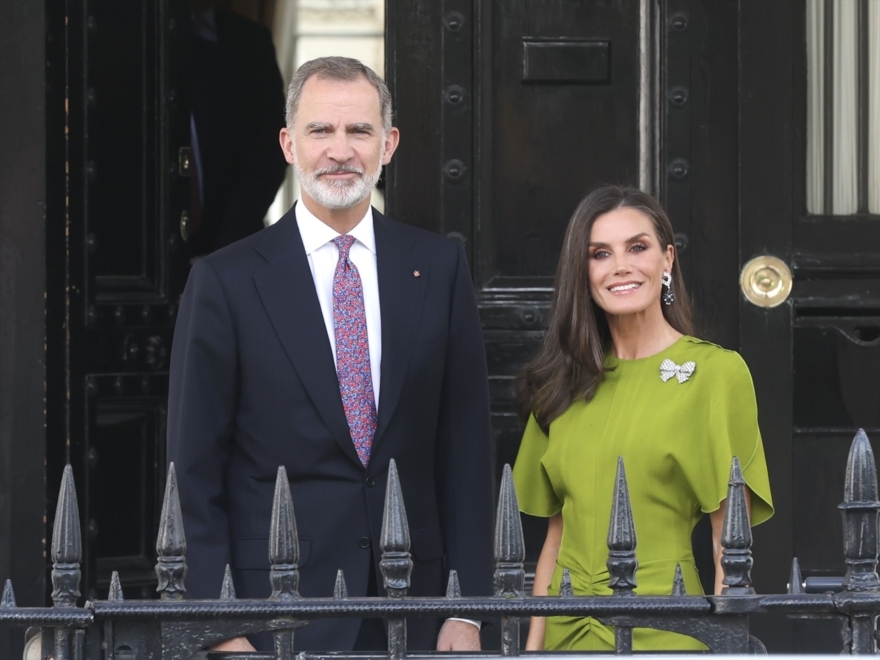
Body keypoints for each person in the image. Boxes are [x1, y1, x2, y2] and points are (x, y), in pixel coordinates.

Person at [167, 56, 494, 653]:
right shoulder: (226, 282)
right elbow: (194, 467)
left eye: (359, 131)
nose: (340, 150)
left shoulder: (438, 269)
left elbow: (465, 449)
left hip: (416, 609)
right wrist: (219, 622)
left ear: (388, 144)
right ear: (289, 143)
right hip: (277, 613)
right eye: (321, 130)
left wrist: (467, 610)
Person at [512, 185, 774, 652]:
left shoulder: (716, 374)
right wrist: (533, 647)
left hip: (667, 626)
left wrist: (726, 645)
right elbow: (557, 535)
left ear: (667, 259)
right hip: (566, 631)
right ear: (583, 270)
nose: (621, 267)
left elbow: (728, 540)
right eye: (600, 254)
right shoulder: (562, 382)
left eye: (638, 247)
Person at [187, 0, 289, 256]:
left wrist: (222, 255)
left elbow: (267, 156)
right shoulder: (127, 34)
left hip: (230, 250)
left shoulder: (249, 41)